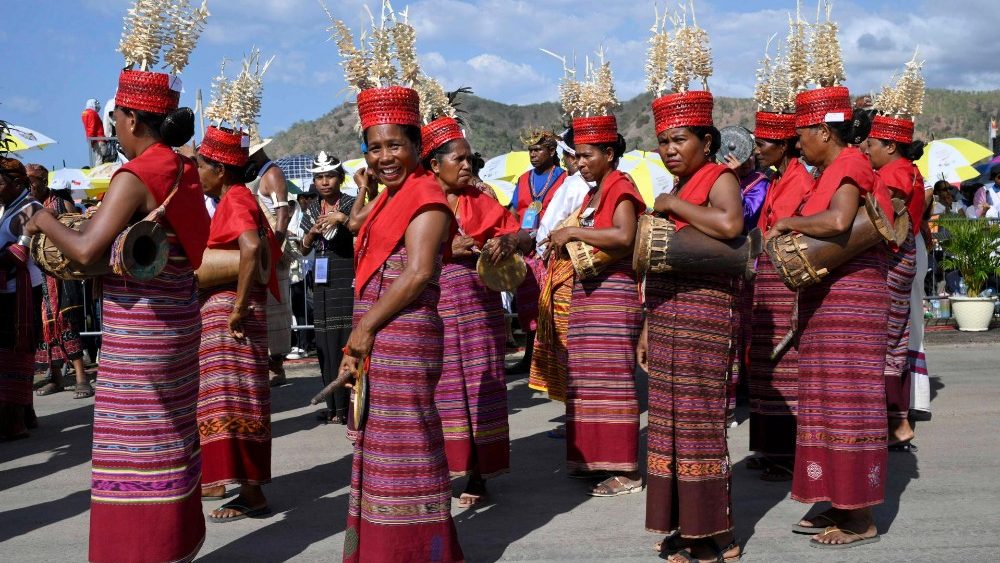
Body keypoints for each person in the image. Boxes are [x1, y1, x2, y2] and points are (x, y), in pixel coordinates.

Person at [26, 65, 211, 562]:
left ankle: (141, 550)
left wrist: (42, 216)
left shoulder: (139, 173)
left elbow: (86, 251)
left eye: (116, 118)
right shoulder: (184, 167)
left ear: (130, 118)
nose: (113, 128)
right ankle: (175, 545)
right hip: (177, 322)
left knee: (135, 442)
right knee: (170, 433)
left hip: (142, 333)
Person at [331, 60, 462, 556]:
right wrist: (362, 336)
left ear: (417, 147)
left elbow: (419, 272)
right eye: (375, 146)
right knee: (380, 446)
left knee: (407, 445)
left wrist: (364, 329)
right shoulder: (386, 198)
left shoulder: (426, 196)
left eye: (395, 145)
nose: (385, 156)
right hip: (381, 335)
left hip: (404, 337)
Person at [773, 85, 888, 548]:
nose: (798, 142)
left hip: (851, 298)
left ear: (824, 130)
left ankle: (860, 517)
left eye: (802, 133)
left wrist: (788, 223)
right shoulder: (829, 168)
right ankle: (838, 500)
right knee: (825, 398)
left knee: (848, 399)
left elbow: (839, 222)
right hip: (832, 297)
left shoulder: (848, 163)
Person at [639, 89, 744, 562]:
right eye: (663, 141)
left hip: (704, 316)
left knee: (700, 422)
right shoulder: (679, 188)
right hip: (666, 317)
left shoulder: (719, 177)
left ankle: (712, 530)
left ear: (706, 140)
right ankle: (685, 525)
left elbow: (728, 226)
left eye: (679, 139)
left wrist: (673, 206)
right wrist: (645, 325)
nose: (670, 149)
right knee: (668, 424)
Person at [422, 115, 524, 506]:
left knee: (482, 383)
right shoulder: (416, 200)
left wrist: (510, 242)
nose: (468, 166)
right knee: (439, 388)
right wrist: (448, 249)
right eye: (459, 160)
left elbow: (520, 232)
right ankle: (442, 468)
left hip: (479, 306)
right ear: (434, 164)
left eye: (470, 159)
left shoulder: (480, 199)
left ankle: (478, 474)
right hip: (433, 304)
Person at [547, 97, 645, 496]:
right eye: (577, 156)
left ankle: (626, 470)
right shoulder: (596, 192)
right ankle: (594, 459)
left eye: (588, 156)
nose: (581, 163)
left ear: (609, 153)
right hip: (591, 293)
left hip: (613, 293)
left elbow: (624, 236)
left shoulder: (620, 186)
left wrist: (573, 233)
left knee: (612, 379)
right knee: (588, 379)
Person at [195, 124, 282, 523]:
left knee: (236, 399)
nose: (197, 172)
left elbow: (250, 248)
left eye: (200, 164)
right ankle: (234, 482)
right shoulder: (237, 197)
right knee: (231, 398)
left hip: (233, 316)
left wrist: (239, 306)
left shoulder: (235, 199)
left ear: (219, 169)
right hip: (234, 312)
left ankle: (251, 493)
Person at [746, 111, 813, 481]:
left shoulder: (800, 180)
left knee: (785, 366)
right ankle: (769, 447)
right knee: (766, 364)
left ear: (784, 145)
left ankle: (787, 451)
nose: (757, 151)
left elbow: (784, 234)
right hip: (766, 279)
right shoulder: (774, 180)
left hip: (786, 280)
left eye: (762, 144)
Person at [864, 102, 927, 451]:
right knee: (893, 341)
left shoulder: (896, 174)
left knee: (885, 343)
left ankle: (896, 422)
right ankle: (896, 421)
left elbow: (884, 218)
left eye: (871, 144)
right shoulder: (907, 169)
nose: (866, 149)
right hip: (902, 259)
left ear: (890, 146)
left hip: (894, 260)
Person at [529, 128, 590, 430]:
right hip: (587, 268)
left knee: (566, 341)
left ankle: (574, 415)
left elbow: (549, 227)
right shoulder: (604, 184)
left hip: (566, 266)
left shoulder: (572, 185)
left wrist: (542, 253)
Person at [298, 151, 355, 425]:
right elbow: (303, 248)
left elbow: (363, 231)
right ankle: (333, 408)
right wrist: (311, 233)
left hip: (346, 276)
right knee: (325, 343)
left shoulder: (352, 204)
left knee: (346, 340)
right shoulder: (310, 209)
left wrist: (341, 219)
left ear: (340, 178)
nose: (324, 182)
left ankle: (349, 406)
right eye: (319, 177)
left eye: (329, 176)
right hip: (322, 281)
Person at [26, 164, 92, 399]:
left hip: (63, 275)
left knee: (66, 324)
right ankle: (56, 377)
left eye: (32, 182)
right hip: (42, 277)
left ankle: (82, 378)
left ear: (44, 181)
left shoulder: (60, 204)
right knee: (47, 325)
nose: (29, 187)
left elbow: (75, 233)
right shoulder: (31, 207)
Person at [507, 129, 566, 374]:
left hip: (552, 250)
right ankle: (531, 358)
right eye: (530, 150)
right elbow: (512, 211)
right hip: (526, 252)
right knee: (529, 305)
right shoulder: (523, 179)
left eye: (538, 150)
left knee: (551, 305)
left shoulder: (564, 178)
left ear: (552, 152)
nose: (532, 154)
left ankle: (554, 360)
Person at [0, 157, 42, 440]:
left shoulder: (31, 209)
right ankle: (22, 412)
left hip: (21, 291)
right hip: (6, 289)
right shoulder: (5, 208)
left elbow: (18, 254)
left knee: (15, 350)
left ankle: (13, 419)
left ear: (16, 184)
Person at [248, 138, 294, 385]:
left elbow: (282, 214)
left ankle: (276, 366)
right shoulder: (261, 174)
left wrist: (274, 246)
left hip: (273, 250)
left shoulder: (273, 173)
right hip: (263, 250)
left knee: (276, 308)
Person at [82, 98, 107, 166]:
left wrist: (90, 139)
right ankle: (100, 174)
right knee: (101, 159)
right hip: (99, 139)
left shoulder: (85, 113)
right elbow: (91, 127)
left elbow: (88, 128)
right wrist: (91, 138)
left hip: (94, 140)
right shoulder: (92, 113)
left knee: (98, 158)